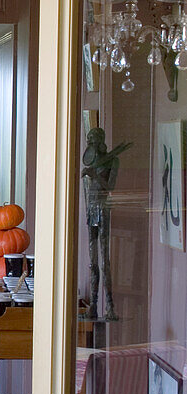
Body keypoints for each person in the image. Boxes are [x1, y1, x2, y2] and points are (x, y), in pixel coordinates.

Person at [82, 127, 131, 321]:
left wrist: (94, 175)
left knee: (105, 258)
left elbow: (110, 187)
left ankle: (110, 305)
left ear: (100, 140)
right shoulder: (93, 160)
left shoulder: (112, 160)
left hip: (103, 207)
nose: (91, 142)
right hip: (91, 207)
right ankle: (94, 304)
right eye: (89, 139)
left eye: (93, 139)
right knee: (93, 260)